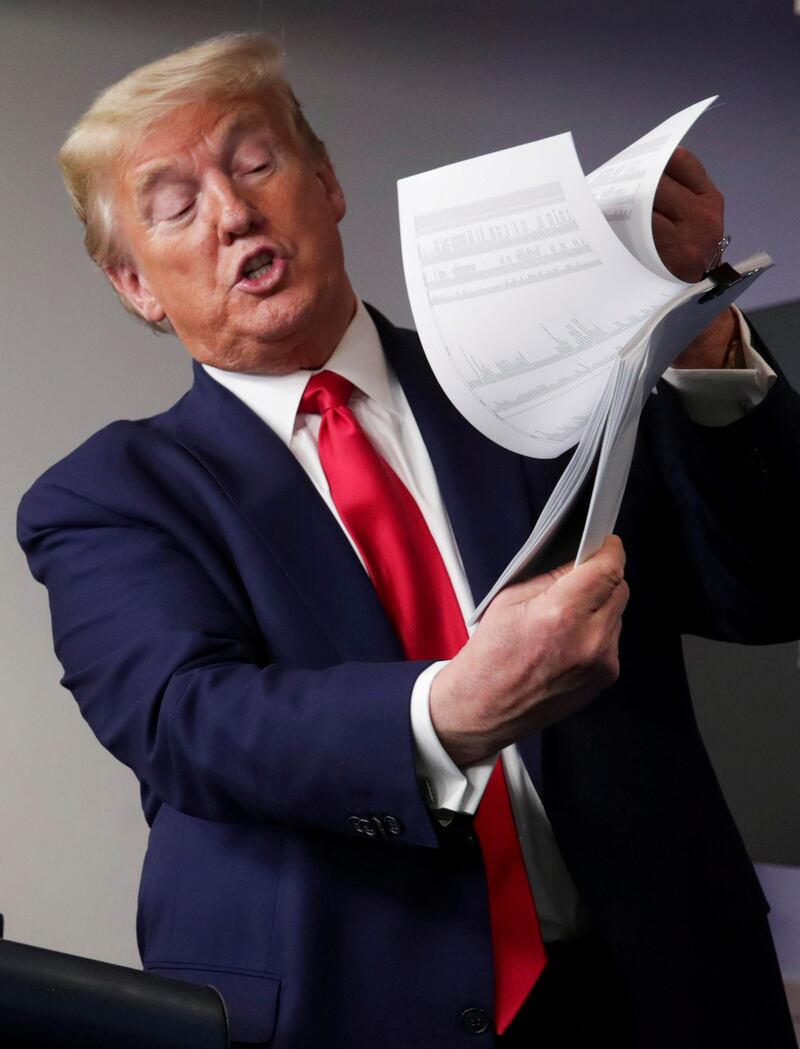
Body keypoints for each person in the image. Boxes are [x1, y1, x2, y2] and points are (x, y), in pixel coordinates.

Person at [17, 32, 799, 1049]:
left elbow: (767, 588)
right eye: (175, 204)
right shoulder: (105, 496)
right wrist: (449, 710)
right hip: (353, 1014)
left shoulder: (545, 372)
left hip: (662, 992)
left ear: (328, 183)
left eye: (257, 162)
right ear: (135, 286)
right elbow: (183, 717)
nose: (234, 211)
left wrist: (701, 342)